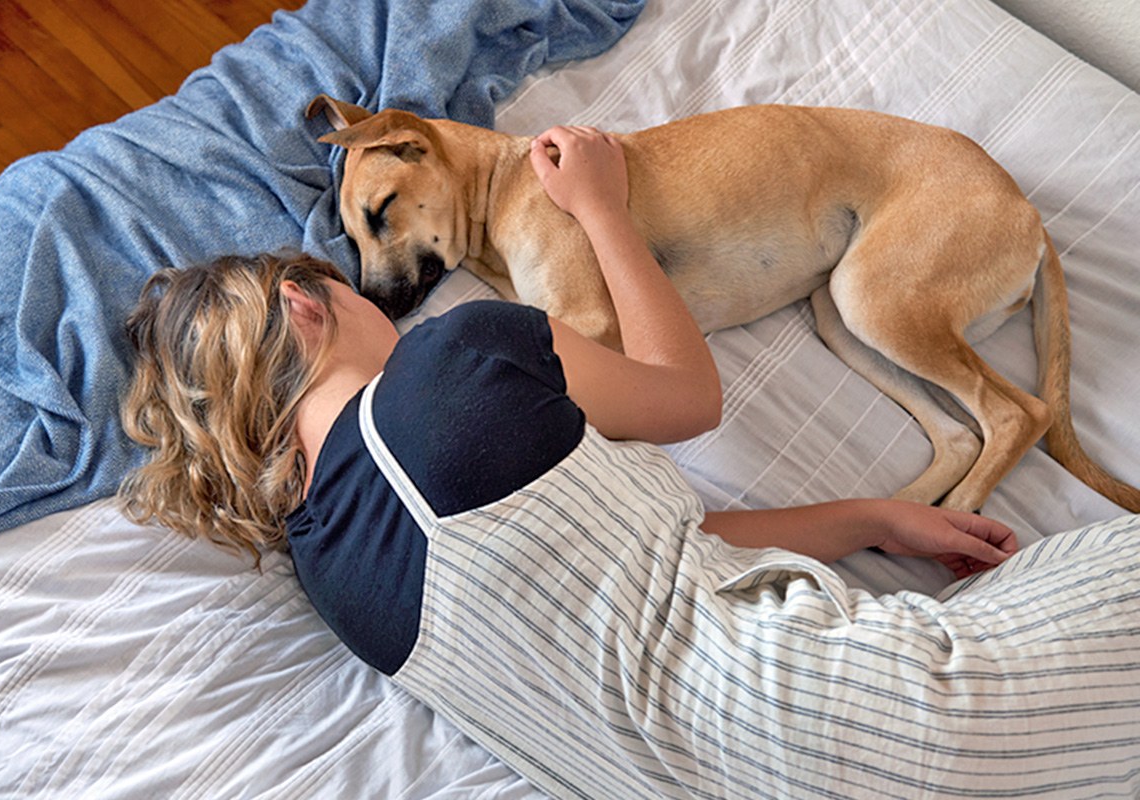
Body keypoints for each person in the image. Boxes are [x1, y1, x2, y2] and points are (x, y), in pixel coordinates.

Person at [119, 126, 1140, 798]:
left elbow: (648, 560)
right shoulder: (454, 348)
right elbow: (690, 395)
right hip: (887, 722)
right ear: (303, 301)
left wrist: (873, 517)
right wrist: (602, 208)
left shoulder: (328, 571)